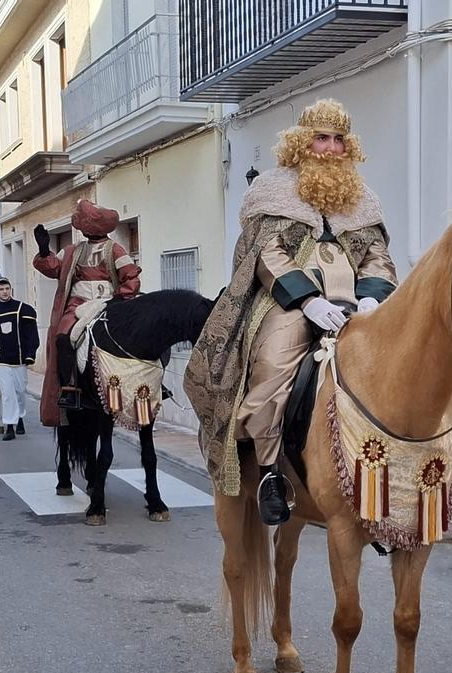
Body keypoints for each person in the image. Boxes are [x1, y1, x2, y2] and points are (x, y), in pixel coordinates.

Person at [184, 98, 397, 523]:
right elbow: (267, 253)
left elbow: (376, 253)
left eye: (339, 140)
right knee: (273, 369)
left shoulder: (363, 198)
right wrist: (308, 300)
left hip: (357, 305)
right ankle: (268, 474)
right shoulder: (272, 188)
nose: (331, 148)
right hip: (291, 303)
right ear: (302, 142)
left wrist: (372, 294)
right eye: (322, 138)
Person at [33, 198, 140, 492]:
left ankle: (140, 383)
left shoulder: (115, 249)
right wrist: (44, 251)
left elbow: (131, 276)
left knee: (133, 339)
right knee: (64, 337)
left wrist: (124, 299)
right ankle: (69, 387)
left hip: (108, 304)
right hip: (78, 305)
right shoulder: (72, 251)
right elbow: (53, 267)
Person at [0, 279, 39, 440]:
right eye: (1, 289)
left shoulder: (23, 309)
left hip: (19, 358)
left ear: (11, 290)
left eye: (7, 288)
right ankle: (9, 425)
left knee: (20, 390)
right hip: (1, 359)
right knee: (7, 393)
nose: (4, 291)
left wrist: (30, 354)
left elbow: (32, 335)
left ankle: (20, 418)